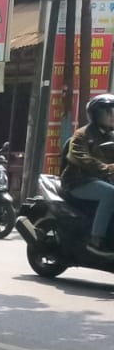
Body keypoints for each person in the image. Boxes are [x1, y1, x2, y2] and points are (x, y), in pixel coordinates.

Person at [62, 93, 114, 259]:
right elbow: (79, 157)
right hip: (79, 182)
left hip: (102, 180)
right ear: (97, 114)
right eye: (109, 112)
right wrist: (106, 168)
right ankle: (95, 240)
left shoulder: (111, 136)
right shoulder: (82, 134)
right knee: (110, 193)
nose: (113, 116)